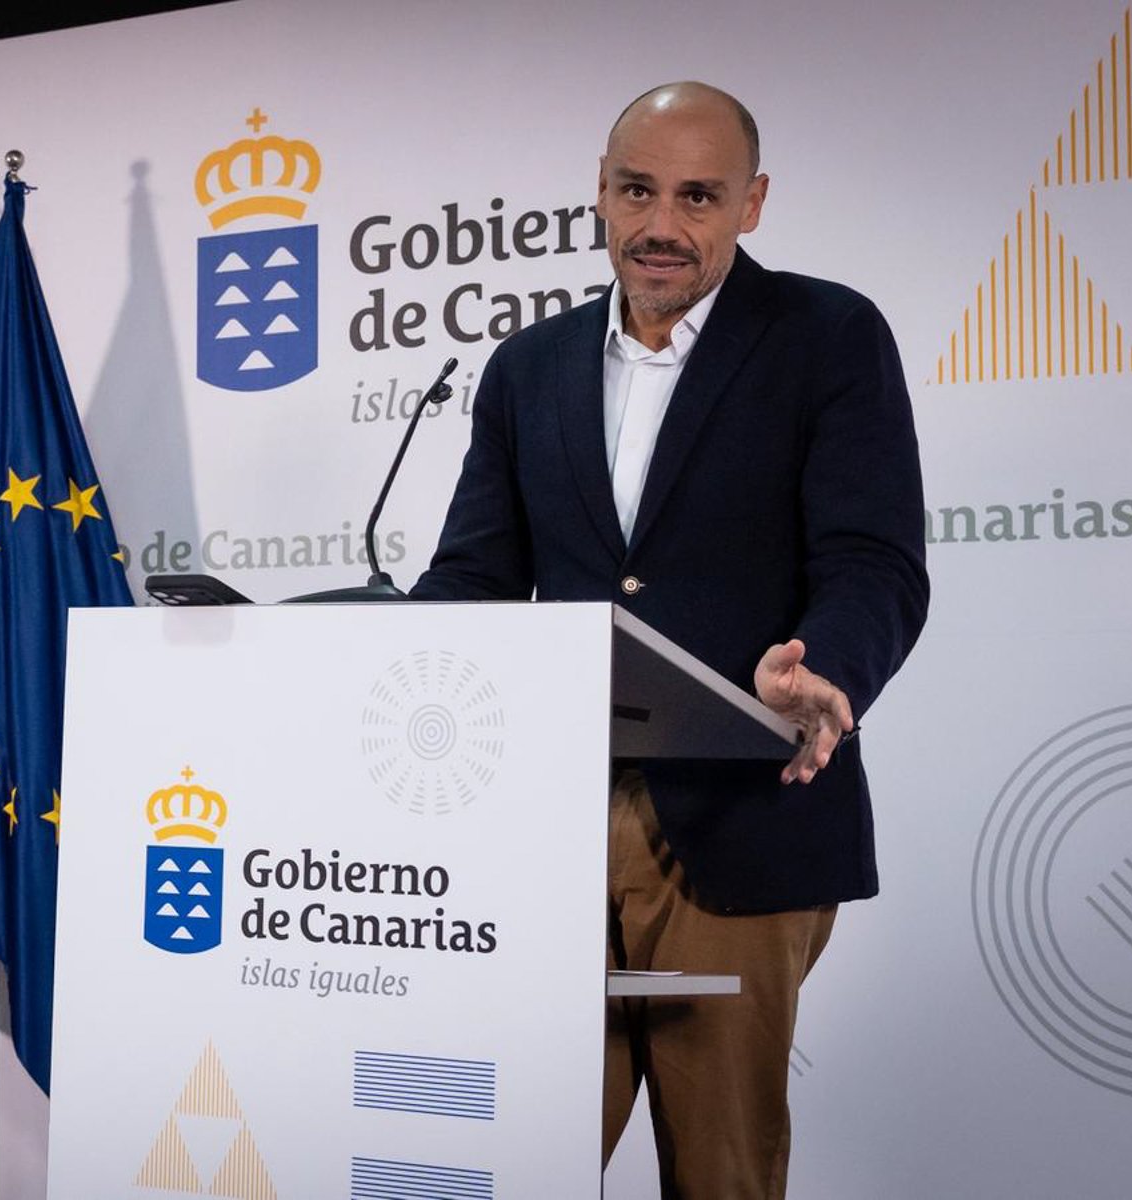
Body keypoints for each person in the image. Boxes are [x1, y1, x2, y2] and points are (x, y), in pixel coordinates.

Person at [411, 82, 928, 1198]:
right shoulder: (526, 368)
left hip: (746, 809)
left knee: (721, 1173)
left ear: (752, 204)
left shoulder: (827, 336)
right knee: (510, 1161)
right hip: (545, 825)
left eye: (698, 196)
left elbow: (873, 561)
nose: (661, 223)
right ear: (599, 193)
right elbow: (476, 580)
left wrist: (824, 672)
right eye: (637, 189)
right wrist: (374, 654)